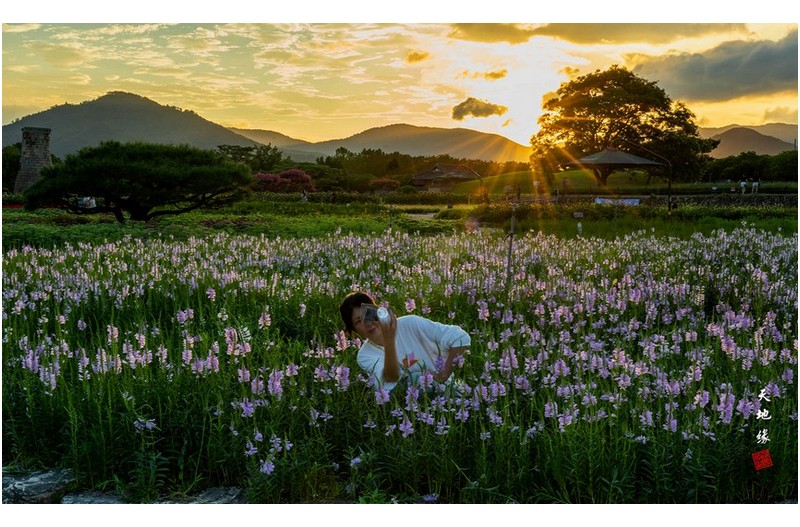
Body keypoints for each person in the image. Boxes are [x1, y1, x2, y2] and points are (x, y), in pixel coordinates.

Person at [339, 292, 470, 391]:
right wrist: (389, 343)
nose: (367, 323)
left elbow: (460, 337)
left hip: (449, 391)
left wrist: (444, 374)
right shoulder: (365, 355)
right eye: (358, 321)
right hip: (406, 404)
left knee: (421, 378)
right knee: (416, 378)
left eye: (368, 314)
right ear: (354, 330)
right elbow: (388, 382)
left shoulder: (410, 323)